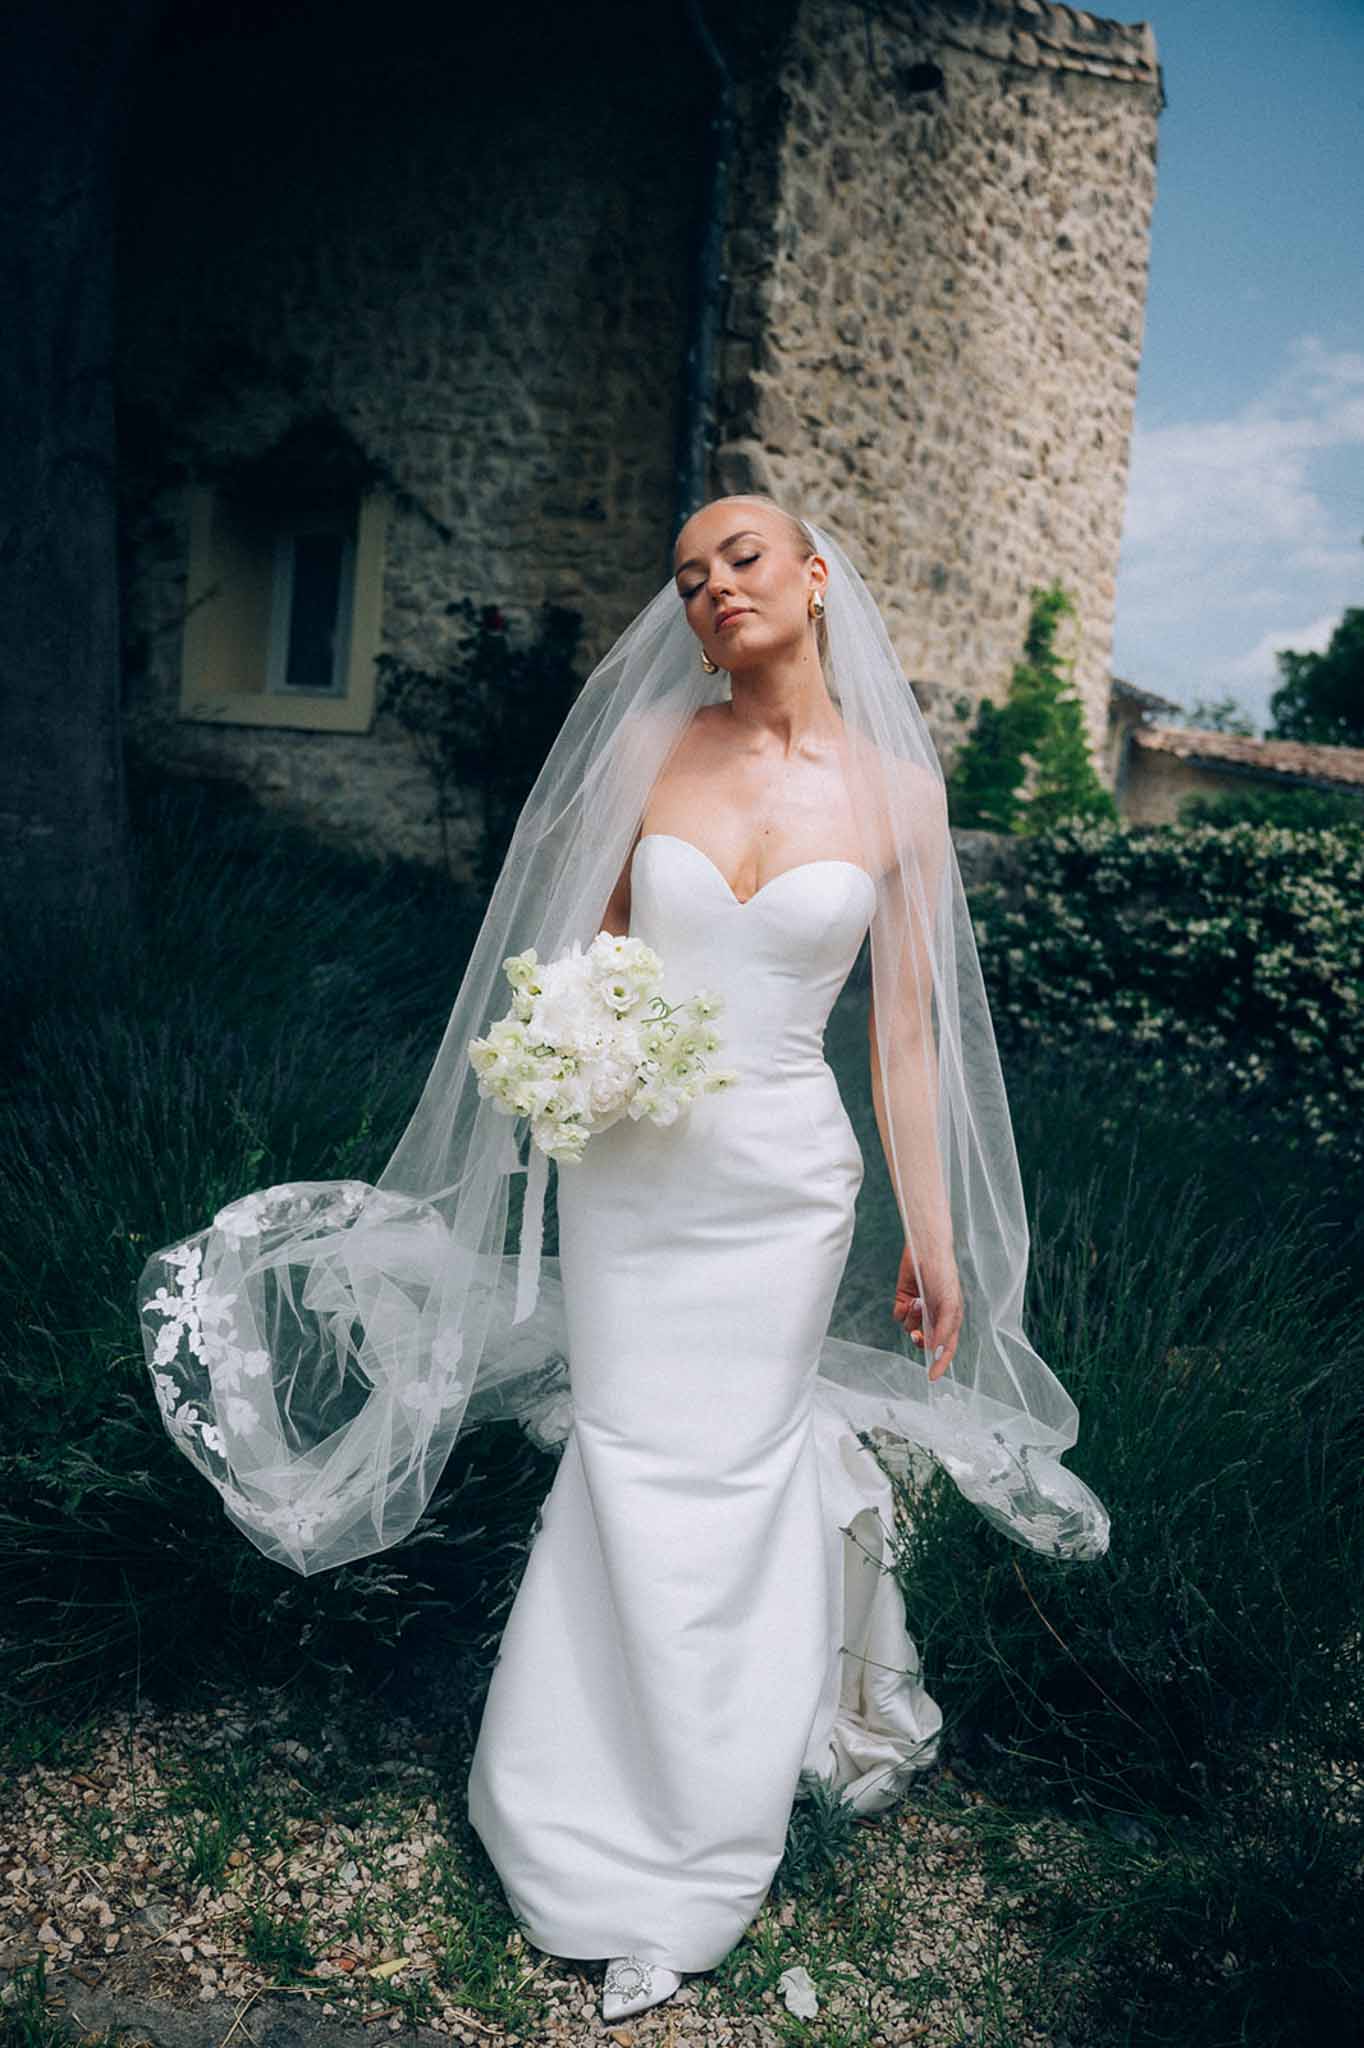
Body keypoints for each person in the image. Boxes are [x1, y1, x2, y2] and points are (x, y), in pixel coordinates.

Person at [138, 493, 1109, 2027]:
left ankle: (695, 1858)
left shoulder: (897, 797)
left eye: (741, 558)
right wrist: (566, 1059)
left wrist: (931, 1233)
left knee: (725, 1483)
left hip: (785, 1190)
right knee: (627, 1461)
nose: (714, 588)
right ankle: (558, 1815)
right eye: (687, 574)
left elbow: (906, 1038)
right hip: (633, 1182)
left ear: (813, 576)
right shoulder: (653, 750)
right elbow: (571, 960)